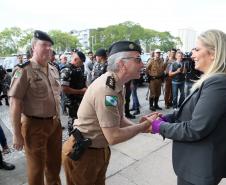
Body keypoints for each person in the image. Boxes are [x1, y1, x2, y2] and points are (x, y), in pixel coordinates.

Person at [62, 41, 157, 185]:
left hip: (98, 149)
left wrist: (142, 126)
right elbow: (114, 136)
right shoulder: (107, 89)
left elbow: (119, 120)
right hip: (84, 154)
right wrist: (142, 127)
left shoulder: (117, 84)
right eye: (137, 59)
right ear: (121, 64)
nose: (142, 64)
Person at [148, 29, 226, 185]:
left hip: (198, 168)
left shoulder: (217, 83)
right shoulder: (212, 80)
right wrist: (167, 117)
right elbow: (193, 112)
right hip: (195, 165)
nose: (192, 55)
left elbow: (196, 128)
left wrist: (159, 126)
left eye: (197, 49)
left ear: (213, 53)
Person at [8, 30, 62, 185]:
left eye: (50, 45)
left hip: (54, 124)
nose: (48, 48)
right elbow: (15, 102)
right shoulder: (24, 70)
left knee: (54, 165)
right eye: (43, 45)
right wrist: (17, 134)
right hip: (34, 127)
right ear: (34, 47)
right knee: (36, 169)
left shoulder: (52, 68)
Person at [60, 51, 87, 135]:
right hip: (71, 101)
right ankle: (72, 138)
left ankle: (79, 137)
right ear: (75, 59)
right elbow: (64, 89)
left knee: (80, 119)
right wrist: (80, 91)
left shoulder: (78, 68)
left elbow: (81, 81)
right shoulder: (66, 70)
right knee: (73, 119)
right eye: (81, 62)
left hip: (80, 99)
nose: (82, 64)